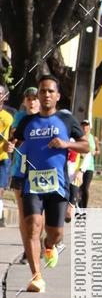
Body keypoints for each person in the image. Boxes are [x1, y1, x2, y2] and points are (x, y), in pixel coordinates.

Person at [13, 76, 89, 291]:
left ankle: (49, 244)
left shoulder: (66, 120)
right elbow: (16, 142)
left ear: (57, 96)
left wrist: (65, 144)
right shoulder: (27, 122)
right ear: (38, 95)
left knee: (56, 233)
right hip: (32, 184)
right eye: (42, 91)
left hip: (58, 185)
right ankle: (36, 277)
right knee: (32, 227)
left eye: (50, 91)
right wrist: (12, 147)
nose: (46, 94)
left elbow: (86, 146)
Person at [9, 88, 39, 260]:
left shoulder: (46, 118)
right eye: (28, 99)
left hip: (40, 172)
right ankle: (28, 251)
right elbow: (14, 138)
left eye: (35, 98)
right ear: (24, 101)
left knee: (37, 215)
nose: (32, 102)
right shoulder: (20, 117)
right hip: (20, 171)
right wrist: (11, 145)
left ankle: (39, 243)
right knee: (23, 215)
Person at [0, 84, 14, 228]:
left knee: (0, 190)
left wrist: (10, 144)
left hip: (3, 158)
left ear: (5, 96)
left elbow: (12, 136)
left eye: (0, 93)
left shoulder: (9, 116)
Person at [78, 120, 96, 207]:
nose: (84, 127)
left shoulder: (93, 138)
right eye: (83, 125)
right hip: (78, 166)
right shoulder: (78, 137)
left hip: (89, 167)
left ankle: (84, 208)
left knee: (85, 188)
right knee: (78, 188)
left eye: (86, 125)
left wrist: (95, 152)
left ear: (89, 127)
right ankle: (79, 208)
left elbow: (96, 150)